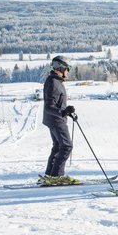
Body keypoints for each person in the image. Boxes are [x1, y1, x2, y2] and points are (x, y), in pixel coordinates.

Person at [42, 55, 78, 185]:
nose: (68, 72)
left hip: (55, 119)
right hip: (56, 120)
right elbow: (49, 106)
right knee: (66, 146)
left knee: (58, 146)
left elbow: (58, 104)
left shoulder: (55, 81)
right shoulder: (53, 83)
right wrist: (63, 112)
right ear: (62, 68)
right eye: (67, 69)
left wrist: (68, 112)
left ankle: (50, 175)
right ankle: (57, 176)